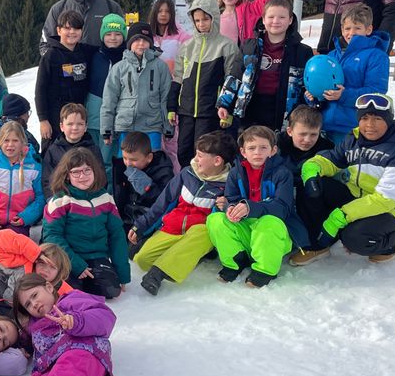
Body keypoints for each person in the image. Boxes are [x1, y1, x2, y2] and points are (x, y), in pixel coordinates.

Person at [291, 93, 395, 266]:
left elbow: (385, 199)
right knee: (311, 187)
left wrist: (341, 216)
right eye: (365, 118)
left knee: (354, 237)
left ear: (389, 119)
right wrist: (311, 171)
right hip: (356, 196)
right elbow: (331, 159)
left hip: (388, 208)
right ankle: (318, 244)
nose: (370, 125)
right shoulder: (354, 138)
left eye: (377, 118)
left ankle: (389, 246)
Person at [130, 130, 236, 296]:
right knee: (142, 260)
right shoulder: (187, 173)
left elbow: (236, 210)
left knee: (204, 230)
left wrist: (227, 206)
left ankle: (158, 274)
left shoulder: (230, 182)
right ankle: (184, 257)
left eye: (200, 155)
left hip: (199, 234)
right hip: (174, 227)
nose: (195, 159)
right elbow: (163, 202)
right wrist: (140, 226)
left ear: (217, 161)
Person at [206, 126, 303, 288]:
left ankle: (265, 270)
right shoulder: (236, 172)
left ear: (273, 150)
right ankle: (235, 261)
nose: (257, 152)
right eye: (252, 148)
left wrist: (250, 207)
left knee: (269, 222)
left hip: (274, 237)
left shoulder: (282, 174)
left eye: (263, 147)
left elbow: (282, 208)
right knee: (215, 219)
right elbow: (231, 199)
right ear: (243, 152)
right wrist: (230, 208)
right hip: (248, 232)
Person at [42, 147, 130, 298]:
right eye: (76, 172)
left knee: (110, 290)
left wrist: (122, 274)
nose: (82, 176)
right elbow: (52, 236)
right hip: (68, 259)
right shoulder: (60, 201)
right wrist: (77, 265)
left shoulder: (105, 199)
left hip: (97, 257)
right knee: (70, 293)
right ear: (67, 175)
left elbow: (117, 235)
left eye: (87, 170)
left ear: (95, 171)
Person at [216, 0, 312, 132]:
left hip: (283, 111)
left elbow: (307, 86)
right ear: (263, 19)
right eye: (271, 17)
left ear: (290, 20)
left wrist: (311, 102)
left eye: (282, 17)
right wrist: (224, 104)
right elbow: (235, 76)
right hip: (250, 109)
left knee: (275, 149)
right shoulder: (249, 46)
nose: (275, 21)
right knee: (251, 149)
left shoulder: (302, 52)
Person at [168, 0, 242, 167]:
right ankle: (187, 188)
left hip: (210, 112)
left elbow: (233, 80)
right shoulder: (187, 46)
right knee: (184, 152)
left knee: (205, 154)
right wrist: (172, 107)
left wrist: (228, 110)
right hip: (186, 110)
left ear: (214, 18)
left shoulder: (226, 46)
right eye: (197, 20)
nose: (201, 24)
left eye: (205, 19)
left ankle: (205, 186)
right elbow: (178, 77)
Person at [306, 4, 390, 142]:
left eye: (357, 28)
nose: (351, 32)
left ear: (368, 29)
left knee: (345, 163)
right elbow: (324, 88)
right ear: (342, 29)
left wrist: (344, 95)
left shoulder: (376, 56)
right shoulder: (332, 55)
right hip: (322, 126)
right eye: (348, 28)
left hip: (351, 127)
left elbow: (376, 92)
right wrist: (314, 96)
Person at [101, 21, 172, 155]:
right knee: (127, 164)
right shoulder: (119, 68)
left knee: (152, 160)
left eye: (145, 40)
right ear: (129, 43)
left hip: (152, 125)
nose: (141, 44)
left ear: (150, 43)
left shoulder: (160, 67)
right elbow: (109, 100)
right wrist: (106, 129)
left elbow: (166, 99)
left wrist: (168, 128)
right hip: (125, 125)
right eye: (137, 40)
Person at [35, 10, 93, 151]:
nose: (72, 32)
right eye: (67, 28)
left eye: (76, 28)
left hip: (78, 118)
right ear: (59, 30)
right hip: (55, 118)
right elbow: (40, 90)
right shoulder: (50, 56)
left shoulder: (86, 52)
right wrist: (43, 120)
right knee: (54, 155)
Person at [0, 121, 44, 235]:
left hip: (18, 221)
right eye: (6, 140)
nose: (10, 145)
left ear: (23, 143)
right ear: (0, 142)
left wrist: (26, 217)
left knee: (14, 245)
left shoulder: (34, 168)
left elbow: (40, 197)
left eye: (15, 140)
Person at [150, 0, 190, 171]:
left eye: (167, 11)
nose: (164, 15)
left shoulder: (181, 36)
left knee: (172, 142)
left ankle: (174, 180)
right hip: (151, 94)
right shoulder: (147, 36)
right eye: (160, 11)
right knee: (154, 145)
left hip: (172, 93)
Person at [112, 131, 174, 236]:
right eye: (125, 158)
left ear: (149, 158)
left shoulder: (163, 170)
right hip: (125, 218)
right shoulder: (121, 167)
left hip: (148, 222)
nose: (128, 163)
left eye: (133, 160)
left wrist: (144, 184)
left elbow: (163, 201)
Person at [41, 104, 103, 199]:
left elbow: (100, 177)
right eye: (70, 124)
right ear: (62, 126)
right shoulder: (53, 150)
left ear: (86, 127)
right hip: (62, 200)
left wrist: (93, 198)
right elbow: (47, 180)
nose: (75, 128)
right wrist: (53, 200)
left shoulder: (94, 149)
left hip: (89, 198)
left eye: (80, 124)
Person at [86, 14, 127, 156]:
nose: (113, 38)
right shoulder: (94, 56)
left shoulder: (128, 58)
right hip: (94, 117)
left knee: (117, 158)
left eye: (117, 34)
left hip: (120, 117)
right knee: (98, 158)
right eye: (108, 34)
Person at [277, 106, 334, 196]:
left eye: (313, 134)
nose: (307, 140)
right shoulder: (275, 145)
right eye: (302, 134)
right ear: (289, 131)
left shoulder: (326, 149)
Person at [0, 93, 42, 165]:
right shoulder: (24, 134)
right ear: (20, 115)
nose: (28, 116)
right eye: (27, 112)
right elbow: (36, 158)